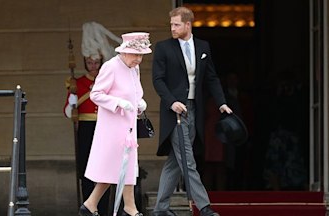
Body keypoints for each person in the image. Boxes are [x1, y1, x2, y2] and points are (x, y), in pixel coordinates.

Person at [152, 7, 232, 216]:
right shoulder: (163, 48)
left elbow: (211, 78)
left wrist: (221, 102)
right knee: (187, 159)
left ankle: (160, 209)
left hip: (194, 109)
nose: (173, 28)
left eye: (177, 24)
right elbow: (158, 80)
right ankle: (204, 206)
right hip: (174, 112)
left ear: (188, 25)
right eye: (171, 24)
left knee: (175, 163)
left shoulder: (203, 47)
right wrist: (171, 102)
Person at [79, 32, 152, 216]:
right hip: (112, 126)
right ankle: (129, 208)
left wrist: (139, 103)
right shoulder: (110, 67)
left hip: (128, 125)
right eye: (136, 54)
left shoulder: (133, 68)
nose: (139, 59)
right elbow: (96, 94)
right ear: (125, 52)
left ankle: (91, 205)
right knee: (119, 166)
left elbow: (135, 92)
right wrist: (117, 102)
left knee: (122, 167)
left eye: (141, 55)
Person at [64, 23, 111, 216]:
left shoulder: (108, 80)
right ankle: (88, 207)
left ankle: (104, 208)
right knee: (86, 169)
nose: (93, 67)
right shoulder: (78, 83)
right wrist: (73, 101)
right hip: (86, 127)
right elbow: (67, 113)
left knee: (105, 169)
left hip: (105, 126)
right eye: (90, 63)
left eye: (96, 63)